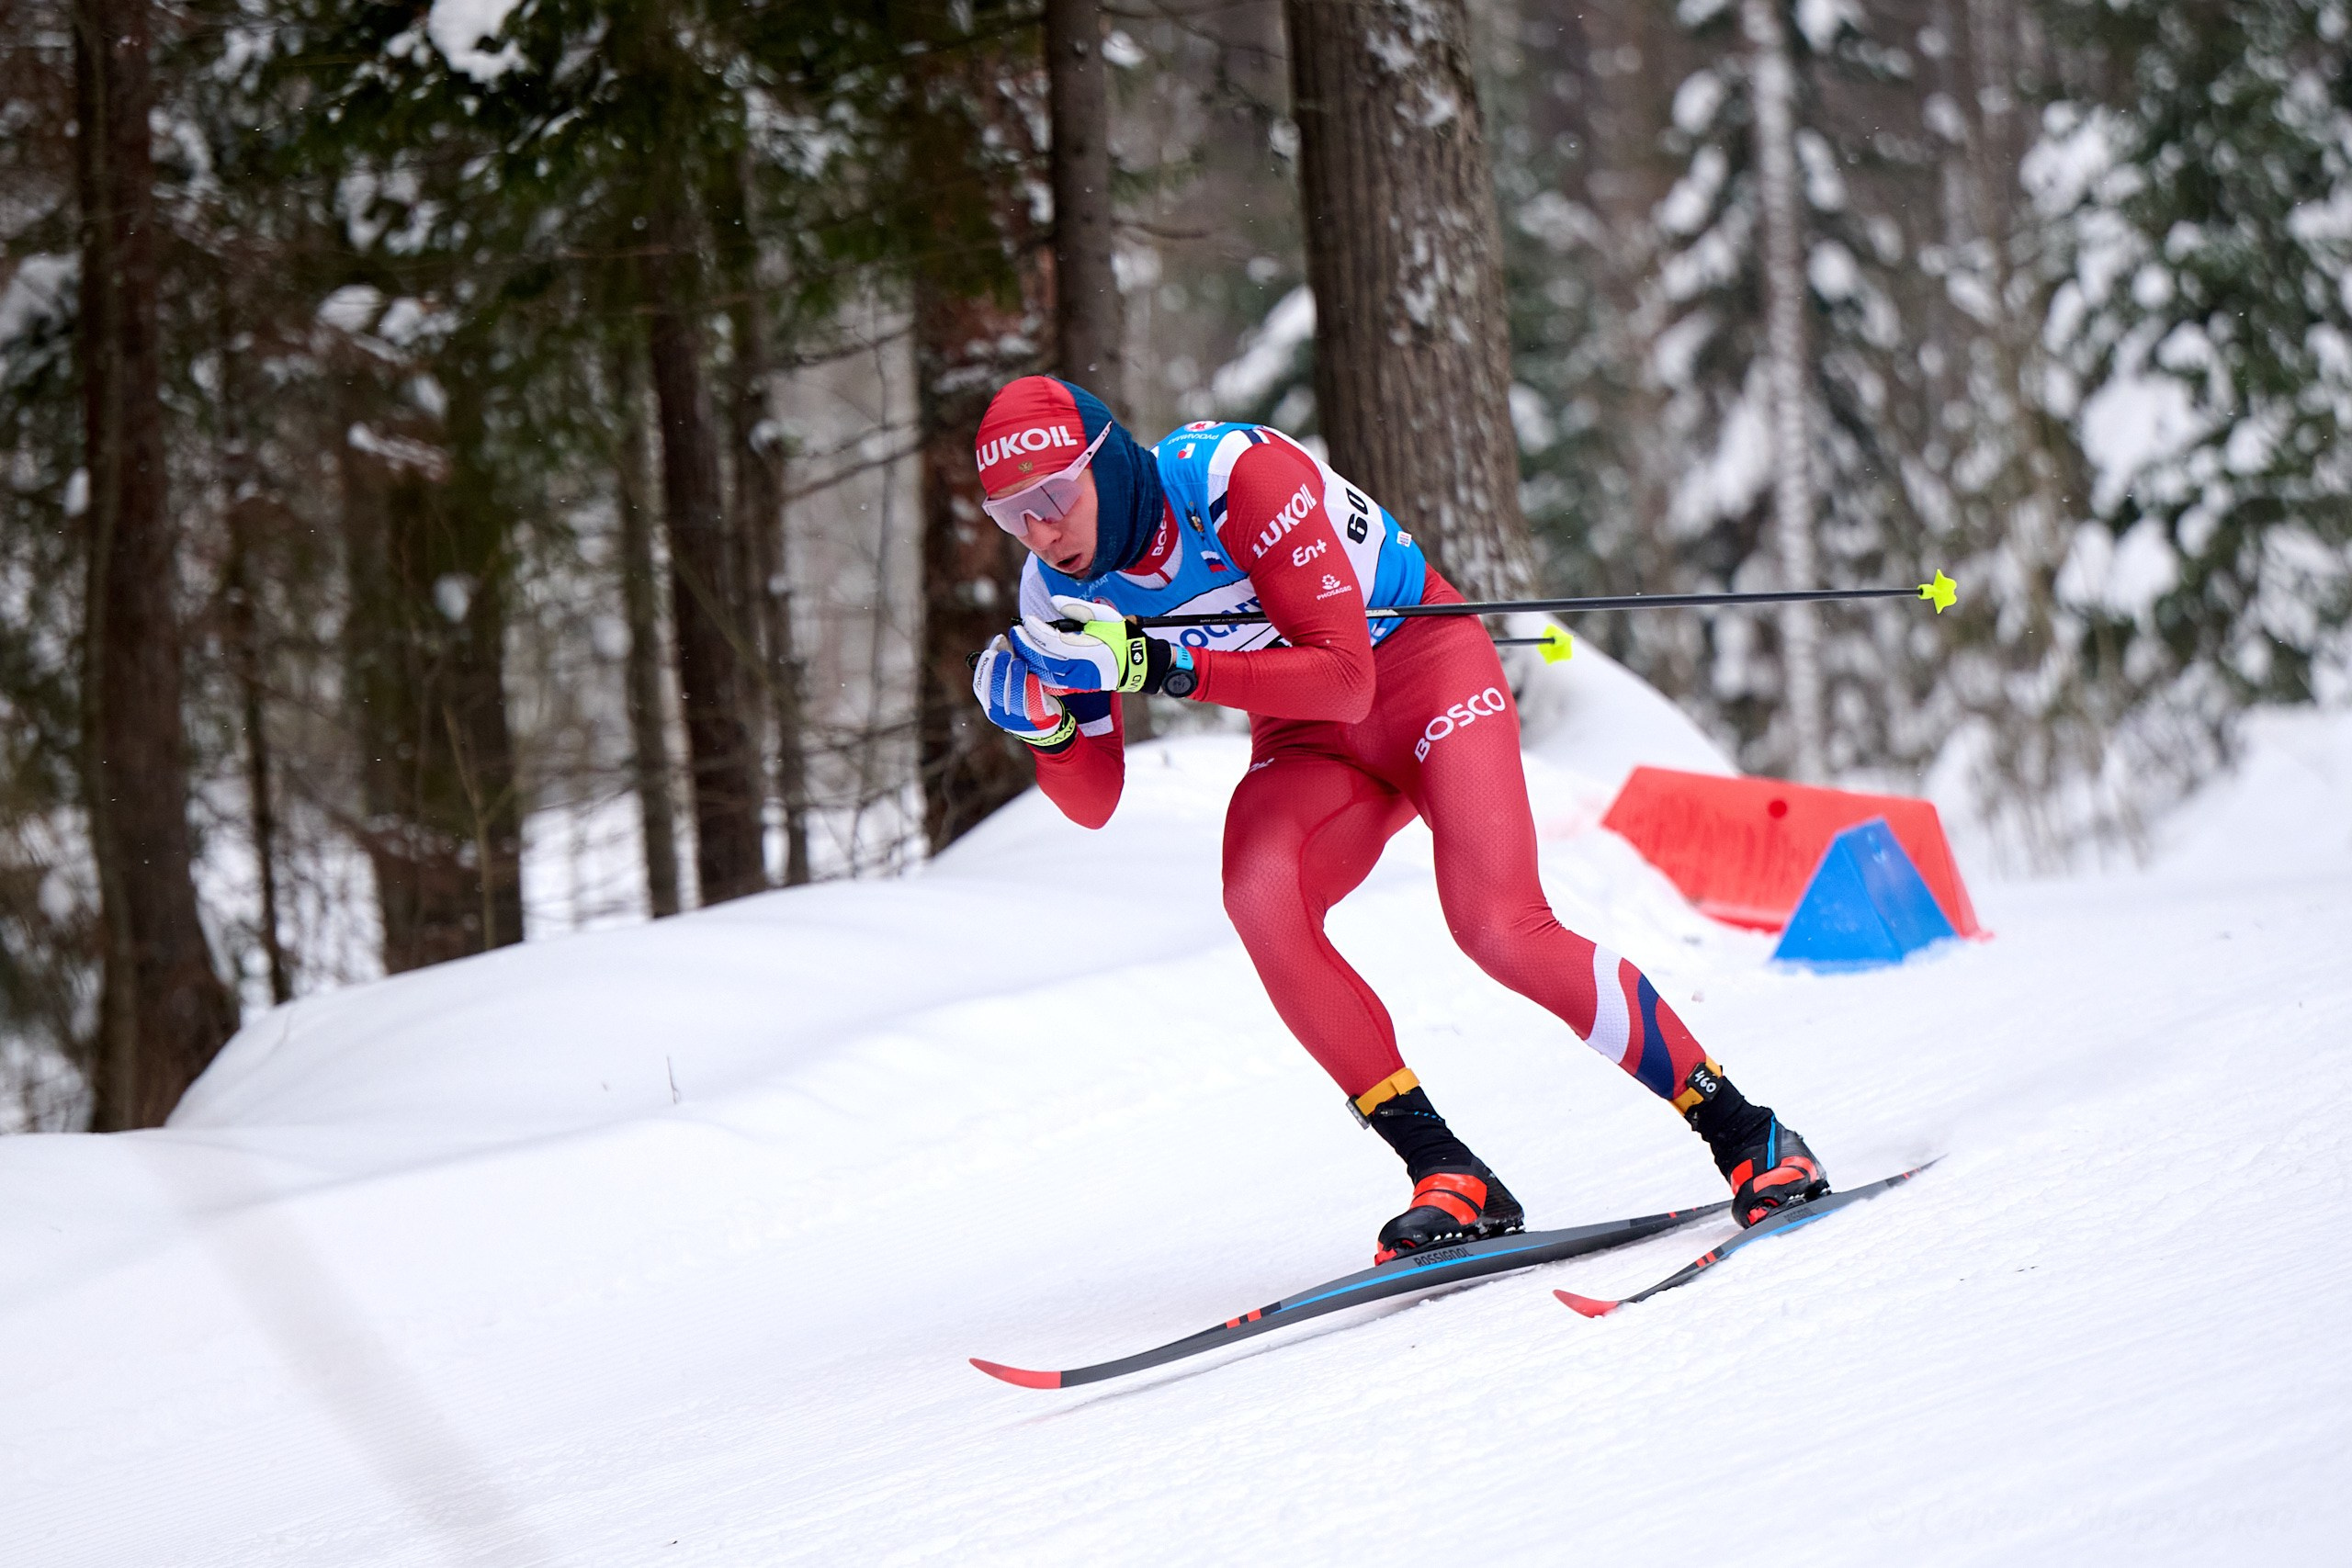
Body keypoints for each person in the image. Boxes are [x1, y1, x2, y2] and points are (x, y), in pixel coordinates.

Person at [967, 376, 1826, 1261]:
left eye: (1053, 497)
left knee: (1498, 926)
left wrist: (1160, 665)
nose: (1040, 531)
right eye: (1012, 516)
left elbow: (1348, 678)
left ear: (1108, 462)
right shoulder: (1055, 593)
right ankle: (1447, 1171)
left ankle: (1748, 1133)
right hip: (1307, 736)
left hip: (1424, 674)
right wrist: (1048, 727)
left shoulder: (1232, 476)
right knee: (1260, 896)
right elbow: (1094, 801)